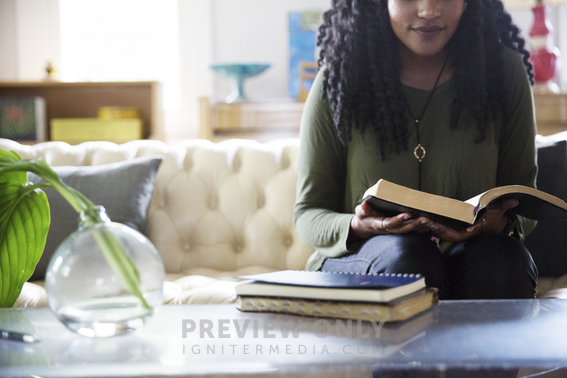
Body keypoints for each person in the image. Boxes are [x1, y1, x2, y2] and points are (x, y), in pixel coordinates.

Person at [294, 0, 539, 300]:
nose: (429, 10)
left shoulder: (504, 74)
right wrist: (357, 226)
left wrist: (491, 223)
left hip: (474, 258)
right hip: (364, 259)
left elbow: (525, 203)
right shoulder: (339, 82)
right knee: (409, 258)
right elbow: (309, 214)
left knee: (502, 260)